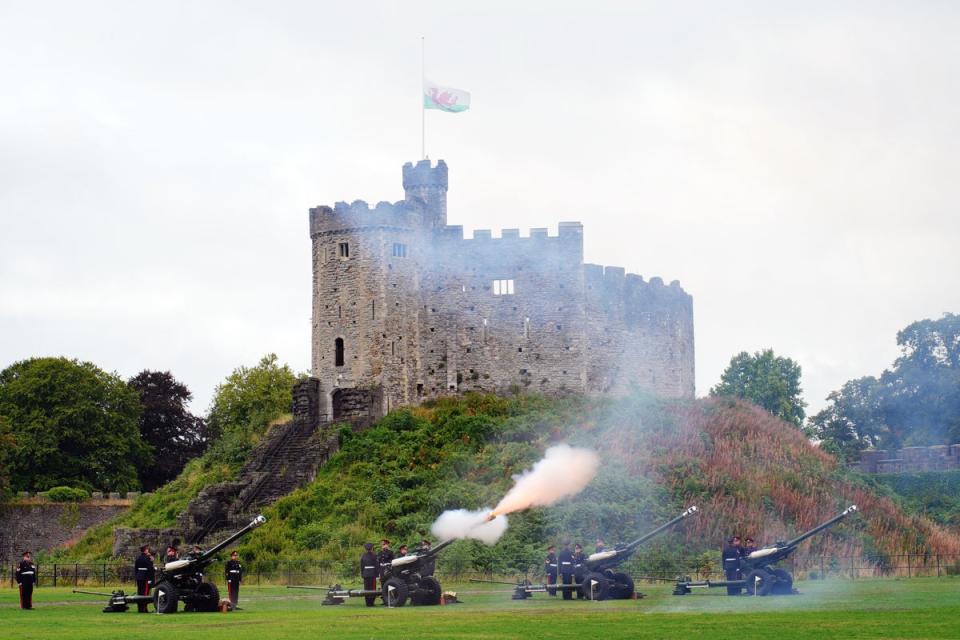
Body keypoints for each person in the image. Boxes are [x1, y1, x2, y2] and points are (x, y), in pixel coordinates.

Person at [134, 544, 155, 612]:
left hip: (139, 577)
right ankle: (144, 609)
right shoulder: (147, 558)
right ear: (145, 550)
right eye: (147, 549)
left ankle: (140, 608)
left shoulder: (138, 558)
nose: (148, 550)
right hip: (146, 577)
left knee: (140, 592)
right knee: (145, 594)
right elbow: (150, 568)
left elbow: (136, 569)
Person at [360, 542, 379, 607]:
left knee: (366, 588)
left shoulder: (363, 555)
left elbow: (361, 566)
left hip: (365, 573)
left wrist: (362, 574)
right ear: (372, 548)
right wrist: (377, 574)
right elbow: (376, 565)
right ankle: (371, 602)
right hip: (372, 573)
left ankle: (367, 603)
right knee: (372, 588)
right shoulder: (374, 555)